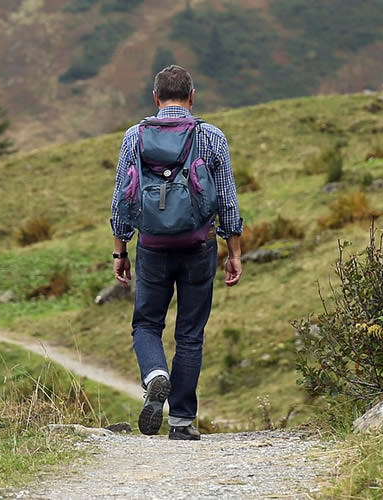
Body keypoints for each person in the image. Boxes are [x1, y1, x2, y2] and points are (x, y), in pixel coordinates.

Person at [110, 65, 243, 441]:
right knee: (190, 333)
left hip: (151, 246)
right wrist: (234, 251)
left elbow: (122, 198)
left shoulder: (134, 136)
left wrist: (120, 250)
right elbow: (228, 201)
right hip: (199, 245)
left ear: (155, 98)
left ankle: (155, 374)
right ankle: (182, 421)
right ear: (192, 96)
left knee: (146, 324)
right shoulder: (211, 136)